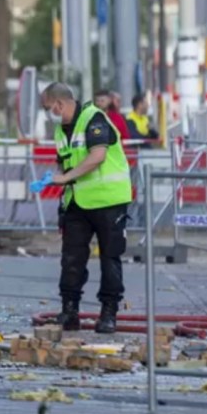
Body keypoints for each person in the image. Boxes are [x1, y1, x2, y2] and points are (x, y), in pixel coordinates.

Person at [42, 81, 132, 334]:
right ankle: (69, 311)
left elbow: (98, 155)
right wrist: (54, 177)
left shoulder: (94, 119)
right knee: (71, 259)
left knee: (110, 258)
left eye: (48, 108)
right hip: (77, 202)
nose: (48, 113)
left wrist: (66, 178)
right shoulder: (62, 130)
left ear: (59, 104)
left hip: (108, 201)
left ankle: (108, 314)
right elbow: (65, 163)